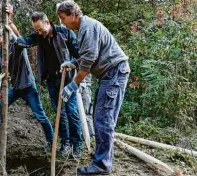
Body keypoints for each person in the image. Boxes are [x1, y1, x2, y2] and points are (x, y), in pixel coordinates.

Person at [57, 1, 130, 175]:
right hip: (110, 75)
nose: (62, 22)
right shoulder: (83, 29)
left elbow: (88, 63)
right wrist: (74, 62)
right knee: (100, 116)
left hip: (114, 74)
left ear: (73, 14)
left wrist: (73, 85)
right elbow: (86, 57)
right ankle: (101, 158)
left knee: (103, 119)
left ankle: (102, 165)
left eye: (63, 18)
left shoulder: (87, 29)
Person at [10, 10, 91, 158]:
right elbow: (27, 40)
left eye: (40, 29)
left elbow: (80, 56)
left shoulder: (65, 33)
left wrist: (72, 65)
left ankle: (77, 144)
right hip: (52, 81)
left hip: (67, 80)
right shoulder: (40, 36)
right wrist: (16, 40)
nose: (39, 33)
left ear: (47, 22)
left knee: (72, 112)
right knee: (60, 113)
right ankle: (65, 143)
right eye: (36, 30)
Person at [0, 13, 53, 150]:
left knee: (40, 116)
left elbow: (17, 37)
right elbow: (2, 72)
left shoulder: (17, 45)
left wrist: (9, 22)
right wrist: (2, 87)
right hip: (14, 88)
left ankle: (51, 142)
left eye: (1, 43)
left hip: (28, 86)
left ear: (6, 38)